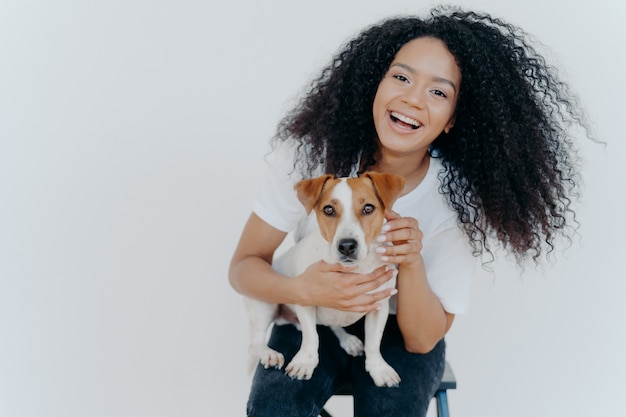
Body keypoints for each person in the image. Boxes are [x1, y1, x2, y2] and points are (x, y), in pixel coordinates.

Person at [229, 6, 591, 417]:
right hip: (308, 315)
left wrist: (411, 262)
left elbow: (421, 340)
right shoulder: (308, 157)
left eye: (438, 92)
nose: (412, 99)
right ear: (375, 84)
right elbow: (243, 267)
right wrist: (302, 291)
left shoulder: (458, 199)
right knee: (274, 407)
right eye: (401, 77)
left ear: (454, 119)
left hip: (400, 329)